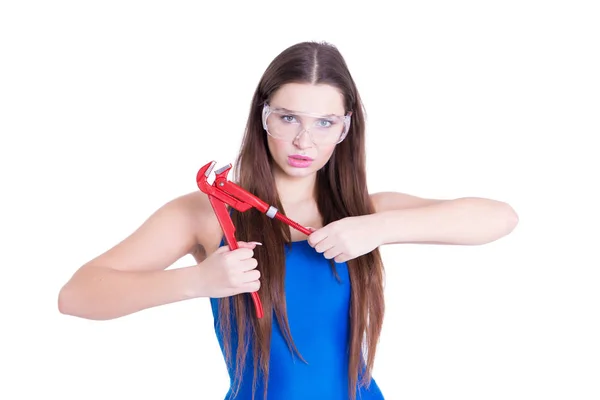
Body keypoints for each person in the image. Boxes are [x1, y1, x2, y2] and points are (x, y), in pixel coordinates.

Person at [58, 41, 519, 400]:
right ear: (263, 117)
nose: (304, 140)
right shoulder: (208, 213)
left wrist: (377, 227)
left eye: (324, 122)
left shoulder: (367, 211)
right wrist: (197, 280)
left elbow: (499, 218)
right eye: (288, 117)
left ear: (345, 128)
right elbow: (77, 295)